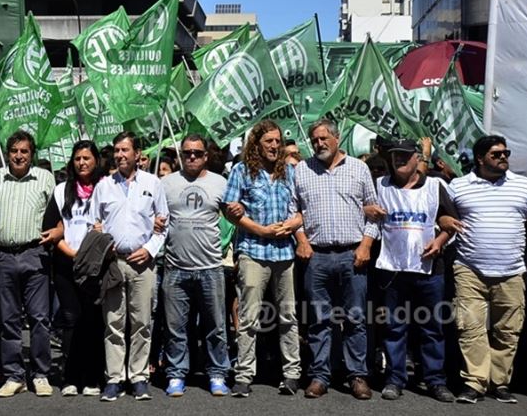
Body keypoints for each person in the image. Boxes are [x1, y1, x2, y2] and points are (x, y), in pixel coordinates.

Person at [292, 119, 382, 400]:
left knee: (355, 319)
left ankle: (357, 376)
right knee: (319, 321)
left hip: (352, 254)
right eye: (314, 139)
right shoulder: (302, 170)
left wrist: (366, 245)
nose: (319, 144)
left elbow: (374, 213)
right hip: (316, 256)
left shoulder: (359, 168)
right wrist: (302, 240)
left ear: (337, 137)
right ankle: (320, 375)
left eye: (323, 138)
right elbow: (292, 210)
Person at [448, 135, 527, 404]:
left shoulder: (524, 186)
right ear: (480, 158)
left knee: (508, 330)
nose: (503, 158)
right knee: (470, 328)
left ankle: (500, 382)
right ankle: (475, 382)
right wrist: (443, 217)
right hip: (470, 269)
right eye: (496, 154)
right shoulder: (458, 186)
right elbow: (444, 215)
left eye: (505, 153)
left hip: (511, 269)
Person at [372, 139, 457, 403]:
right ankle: (395, 379)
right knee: (394, 327)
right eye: (395, 156)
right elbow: (367, 216)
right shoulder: (380, 185)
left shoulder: (435, 185)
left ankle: (434, 380)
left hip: (429, 270)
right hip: (392, 269)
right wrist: (366, 209)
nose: (399, 160)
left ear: (416, 158)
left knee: (432, 327)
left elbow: (449, 222)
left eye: (404, 156)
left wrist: (440, 241)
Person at [222, 120, 301, 398]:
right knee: (248, 317)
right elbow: (230, 211)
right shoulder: (241, 171)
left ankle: (291, 374)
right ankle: (243, 374)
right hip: (253, 251)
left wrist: (291, 225)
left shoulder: (289, 172)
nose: (275, 146)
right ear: (256, 144)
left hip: (284, 252)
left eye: (278, 141)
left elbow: (303, 210)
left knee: (288, 316)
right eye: (269, 141)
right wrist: (262, 230)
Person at [91, 131, 168, 401]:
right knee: (113, 323)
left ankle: (138, 377)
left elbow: (163, 225)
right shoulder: (103, 186)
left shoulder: (153, 184)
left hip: (142, 265)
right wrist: (102, 242)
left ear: (138, 154)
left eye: (125, 150)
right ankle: (114, 379)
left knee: (142, 323)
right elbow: (95, 224)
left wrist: (148, 251)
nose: (120, 155)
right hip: (113, 264)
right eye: (117, 150)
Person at [0, 130, 56, 398]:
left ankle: (40, 374)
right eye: (14, 151)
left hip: (34, 254)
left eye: (24, 151)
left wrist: (58, 232)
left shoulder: (45, 178)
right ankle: (14, 375)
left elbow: (60, 214)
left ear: (32, 154)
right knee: (9, 320)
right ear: (8, 153)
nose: (18, 156)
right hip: (3, 256)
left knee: (40, 318)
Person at [162, 134, 231, 397]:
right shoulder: (166, 183)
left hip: (211, 266)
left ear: (205, 156)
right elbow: (155, 216)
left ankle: (217, 374)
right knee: (176, 328)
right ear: (181, 155)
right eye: (187, 153)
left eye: (197, 153)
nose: (192, 157)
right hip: (176, 266)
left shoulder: (220, 183)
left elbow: (233, 216)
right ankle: (177, 374)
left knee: (215, 326)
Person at [44, 140, 107, 397]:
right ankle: (70, 376)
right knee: (71, 318)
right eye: (78, 158)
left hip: (96, 267)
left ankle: (92, 376)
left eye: (87, 158)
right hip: (66, 264)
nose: (82, 163)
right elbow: (51, 229)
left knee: (92, 320)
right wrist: (74, 254)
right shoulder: (61, 191)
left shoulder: (106, 188)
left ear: (96, 161)